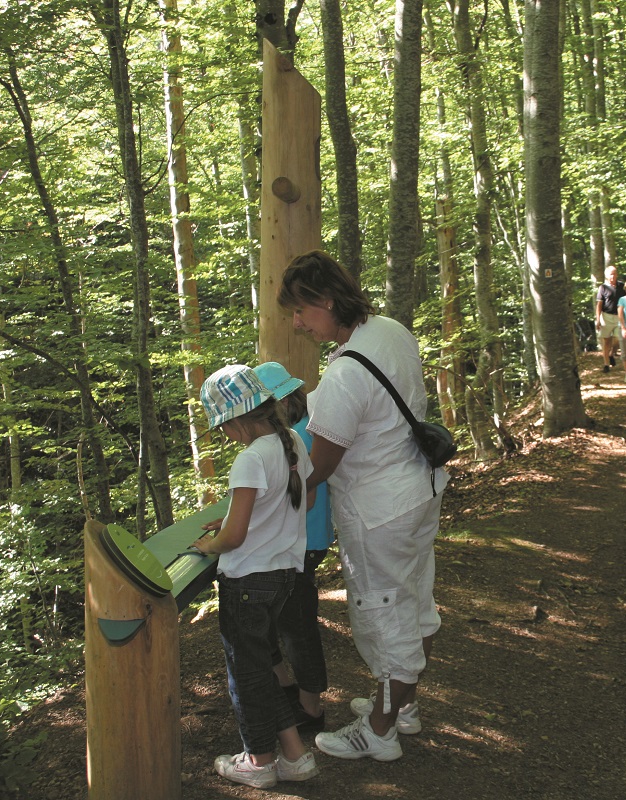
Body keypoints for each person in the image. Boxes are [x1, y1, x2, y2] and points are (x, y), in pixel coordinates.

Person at [277, 249, 447, 763]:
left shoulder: (345, 374)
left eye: (301, 310)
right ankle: (403, 705)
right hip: (418, 489)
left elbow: (322, 463)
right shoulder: (390, 331)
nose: (297, 323)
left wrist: (280, 496)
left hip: (378, 513)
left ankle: (379, 731)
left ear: (327, 301)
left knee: (384, 617)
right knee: (414, 604)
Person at [191, 365, 320, 789]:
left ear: (236, 421)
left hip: (246, 581)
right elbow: (294, 504)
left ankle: (259, 761)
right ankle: (295, 755)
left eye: (223, 427)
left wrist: (209, 544)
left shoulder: (250, 458)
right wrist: (234, 519)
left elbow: (235, 537)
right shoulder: (292, 442)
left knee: (246, 677)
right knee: (262, 668)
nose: (225, 435)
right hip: (282, 576)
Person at [252, 361, 334, 734]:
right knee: (280, 619)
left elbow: (301, 496)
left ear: (282, 402)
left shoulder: (298, 437)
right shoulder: (301, 431)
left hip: (301, 542)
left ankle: (310, 708)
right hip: (299, 540)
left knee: (296, 626)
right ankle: (288, 688)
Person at [594, 265, 624, 372]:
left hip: (619, 316)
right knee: (606, 341)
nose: (613, 276)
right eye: (611, 274)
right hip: (606, 316)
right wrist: (598, 320)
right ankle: (606, 364)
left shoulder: (622, 286)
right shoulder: (603, 288)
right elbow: (599, 305)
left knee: (618, 339)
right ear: (606, 275)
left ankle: (612, 354)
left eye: (614, 274)